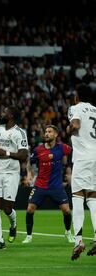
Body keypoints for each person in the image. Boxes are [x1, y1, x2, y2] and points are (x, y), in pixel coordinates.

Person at [23, 125, 74, 244]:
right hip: (40, 185)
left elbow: (74, 152)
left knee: (66, 211)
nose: (46, 134)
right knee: (30, 209)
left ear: (56, 135)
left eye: (50, 132)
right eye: (45, 131)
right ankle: (29, 236)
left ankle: (68, 232)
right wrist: (29, 174)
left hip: (56, 186)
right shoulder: (38, 150)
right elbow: (30, 162)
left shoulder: (62, 148)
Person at [0, 106, 29, 249]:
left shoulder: (19, 132)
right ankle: (0, 241)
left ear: (11, 115)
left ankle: (13, 224)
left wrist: (4, 152)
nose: (1, 113)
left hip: (12, 173)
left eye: (4, 112)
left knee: (7, 208)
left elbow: (24, 155)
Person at [67, 84, 96, 260]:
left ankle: (78, 241)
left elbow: (76, 124)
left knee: (77, 196)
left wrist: (68, 129)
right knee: (93, 197)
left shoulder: (75, 108)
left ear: (77, 96)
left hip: (83, 157)